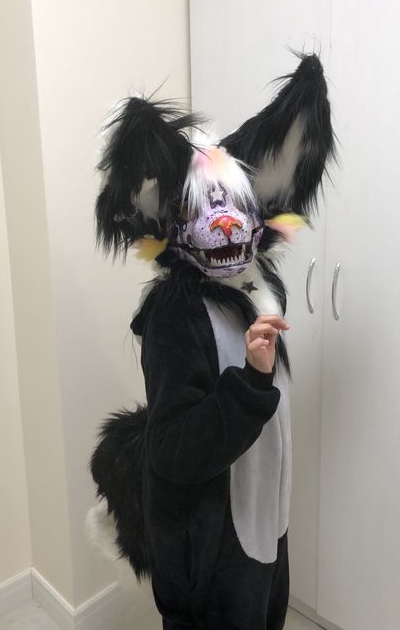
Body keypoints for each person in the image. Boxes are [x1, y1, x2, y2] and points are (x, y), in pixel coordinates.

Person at [88, 53, 334, 629]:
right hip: (207, 553)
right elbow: (175, 449)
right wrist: (250, 382)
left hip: (263, 519)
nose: (223, 224)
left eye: (235, 206)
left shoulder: (261, 293)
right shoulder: (175, 319)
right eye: (203, 208)